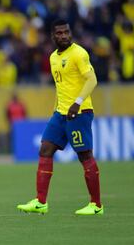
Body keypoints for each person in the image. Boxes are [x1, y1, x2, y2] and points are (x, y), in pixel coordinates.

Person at [17, 19, 103, 215]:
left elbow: (92, 80)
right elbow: (60, 87)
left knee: (84, 156)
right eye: (59, 33)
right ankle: (41, 202)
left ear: (70, 33)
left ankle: (96, 205)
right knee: (45, 149)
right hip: (60, 113)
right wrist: (56, 109)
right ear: (52, 36)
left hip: (79, 112)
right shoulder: (53, 57)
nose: (63, 36)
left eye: (66, 32)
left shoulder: (79, 54)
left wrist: (77, 102)